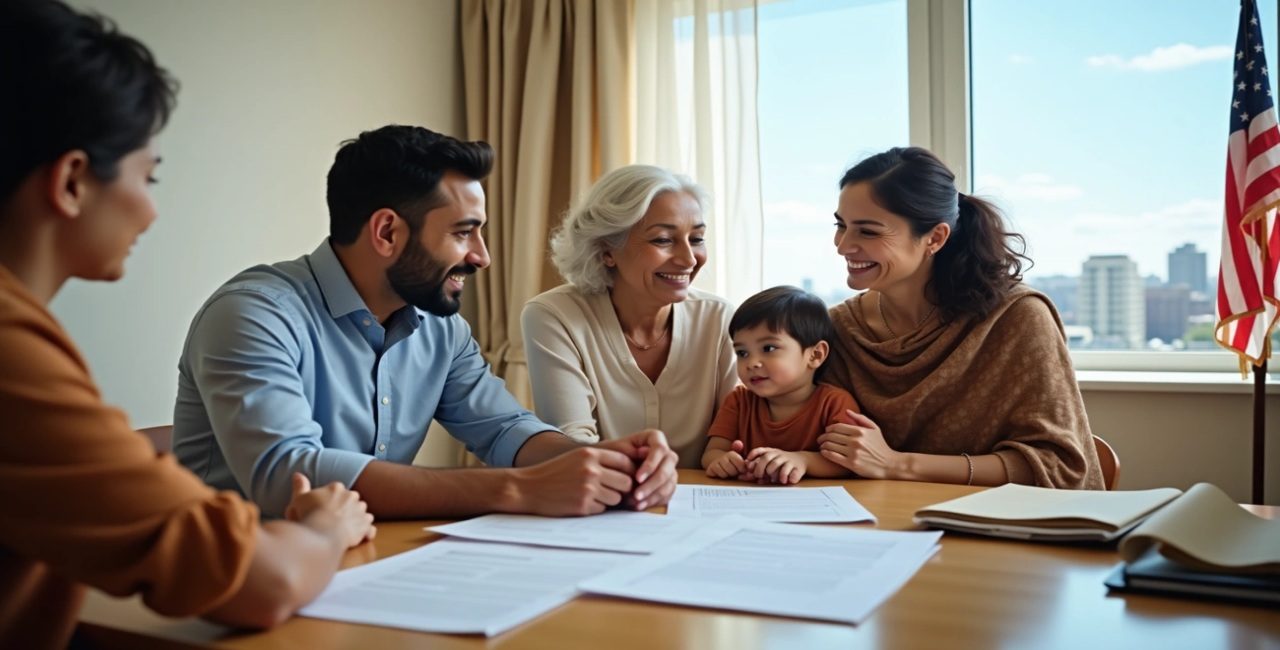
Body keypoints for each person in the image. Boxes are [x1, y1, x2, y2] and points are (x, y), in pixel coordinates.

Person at [0, 2, 376, 646]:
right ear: (71, 182)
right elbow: (263, 583)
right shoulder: (13, 351)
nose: (151, 211)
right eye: (149, 176)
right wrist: (326, 526)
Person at [173, 127, 678, 520]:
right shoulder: (252, 315)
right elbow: (287, 474)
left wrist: (601, 462)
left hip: (366, 563)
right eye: (463, 233)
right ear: (386, 232)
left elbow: (505, 429)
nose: (481, 257)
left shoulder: (438, 327)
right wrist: (517, 489)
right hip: (233, 580)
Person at [818, 146, 1103, 489]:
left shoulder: (1016, 318)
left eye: (868, 231)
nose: (842, 245)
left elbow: (1058, 466)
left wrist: (897, 464)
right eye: (841, 225)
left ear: (935, 238)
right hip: (880, 517)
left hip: (996, 519)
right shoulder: (838, 330)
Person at [522, 165, 738, 466]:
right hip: (601, 492)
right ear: (606, 250)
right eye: (663, 240)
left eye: (697, 238)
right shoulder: (554, 316)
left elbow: (738, 433)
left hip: (705, 495)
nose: (689, 259)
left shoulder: (719, 318)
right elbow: (572, 445)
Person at [702, 286, 861, 484]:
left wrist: (803, 460)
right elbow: (712, 452)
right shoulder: (738, 401)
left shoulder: (835, 403)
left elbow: (848, 462)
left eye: (768, 348)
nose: (752, 363)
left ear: (815, 355)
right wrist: (722, 461)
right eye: (742, 353)